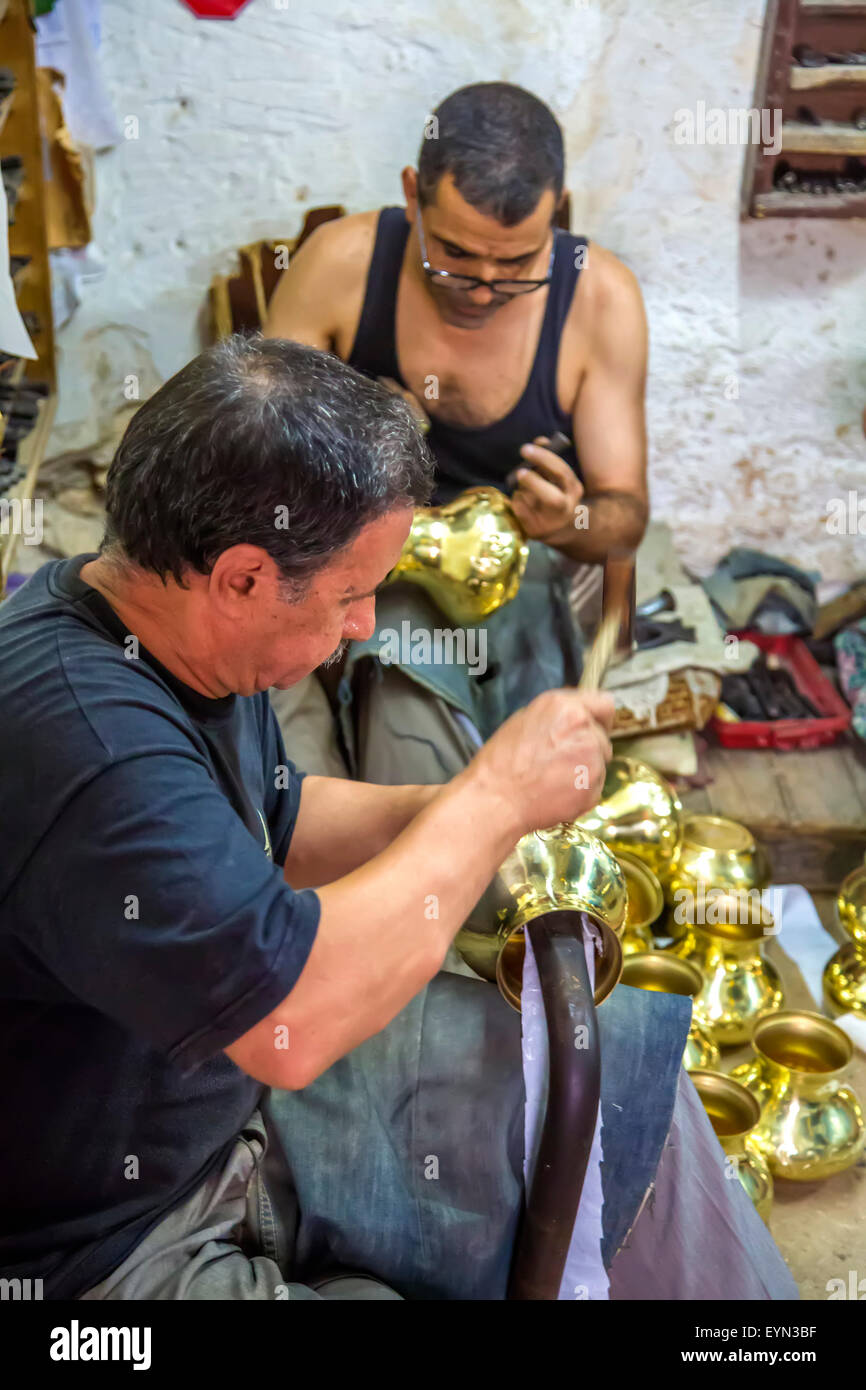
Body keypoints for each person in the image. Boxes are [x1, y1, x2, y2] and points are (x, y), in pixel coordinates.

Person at [0, 335, 620, 1300]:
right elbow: (291, 1028)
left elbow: (277, 822)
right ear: (244, 576)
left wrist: (454, 805)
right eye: (353, 594)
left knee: (589, 1110)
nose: (367, 625)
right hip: (96, 1244)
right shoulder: (96, 746)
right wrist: (494, 798)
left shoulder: (176, 632)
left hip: (206, 1122)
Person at [264, 81, 649, 783]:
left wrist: (570, 519)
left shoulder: (600, 299)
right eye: (454, 257)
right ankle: (413, 844)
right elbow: (258, 463)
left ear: (555, 216)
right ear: (413, 194)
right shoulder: (341, 266)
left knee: (424, 650)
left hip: (518, 568)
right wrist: (367, 436)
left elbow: (624, 521)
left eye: (515, 267)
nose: (481, 288)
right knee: (394, 638)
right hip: (351, 546)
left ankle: (423, 844)